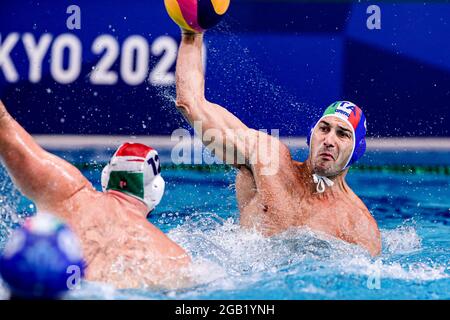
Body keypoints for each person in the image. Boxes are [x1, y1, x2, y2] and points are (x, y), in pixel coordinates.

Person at [174, 31, 381, 256]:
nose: (329, 140)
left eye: (342, 134)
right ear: (311, 135)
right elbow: (190, 103)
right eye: (324, 128)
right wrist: (191, 34)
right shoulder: (267, 160)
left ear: (357, 151)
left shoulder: (358, 226)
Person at [0, 100, 191, 289]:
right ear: (157, 189)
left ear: (105, 176)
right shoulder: (172, 257)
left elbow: (3, 125)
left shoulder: (65, 192)